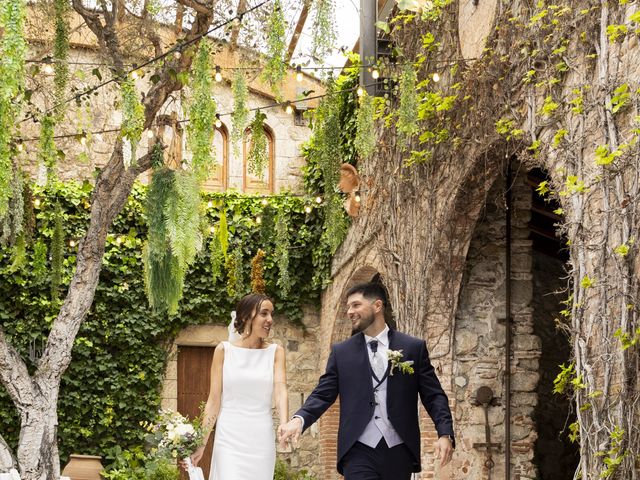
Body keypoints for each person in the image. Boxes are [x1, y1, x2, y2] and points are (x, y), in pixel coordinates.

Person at [279, 282, 455, 480]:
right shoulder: (341, 352)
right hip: (358, 450)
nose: (349, 311)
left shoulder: (412, 347)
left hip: (399, 450)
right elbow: (323, 393)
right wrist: (299, 420)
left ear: (377, 306)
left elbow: (434, 396)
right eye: (347, 307)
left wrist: (444, 433)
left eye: (355, 305)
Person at [187, 293, 288, 480]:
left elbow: (281, 390)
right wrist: (201, 444)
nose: (270, 320)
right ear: (245, 316)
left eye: (271, 314)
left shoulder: (276, 352)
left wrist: (284, 422)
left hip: (261, 437)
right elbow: (213, 401)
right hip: (229, 437)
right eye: (264, 314)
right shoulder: (223, 351)